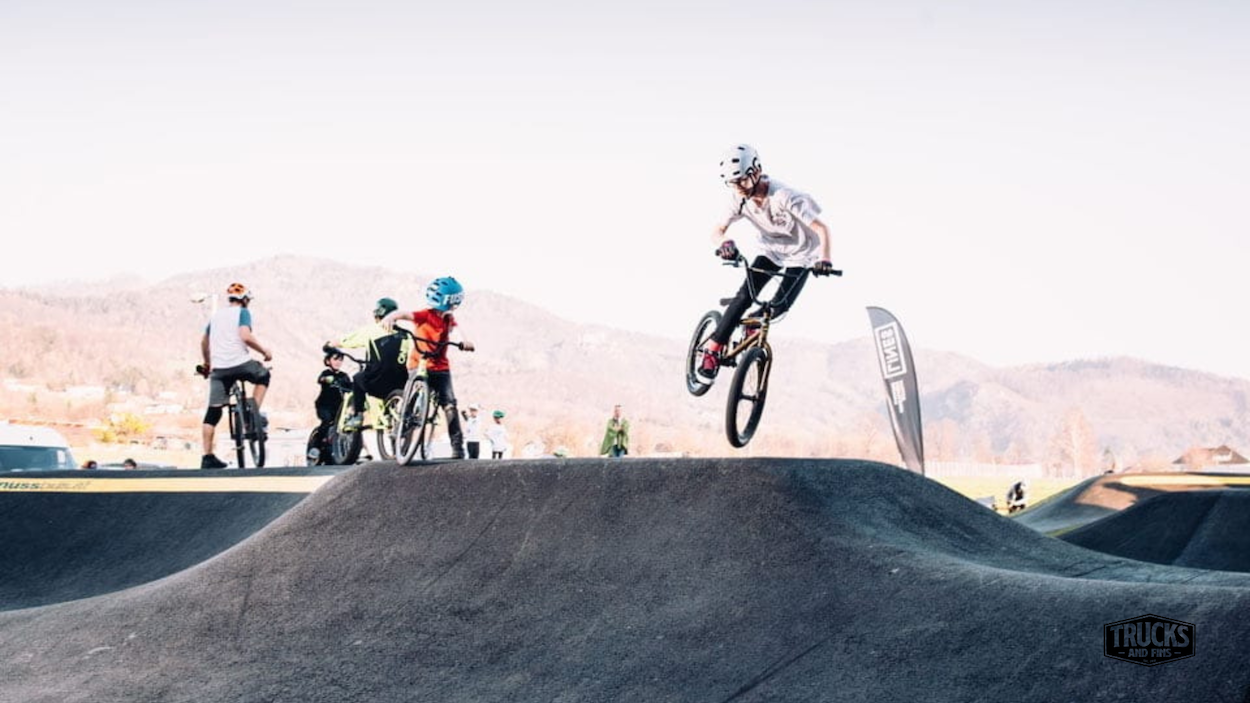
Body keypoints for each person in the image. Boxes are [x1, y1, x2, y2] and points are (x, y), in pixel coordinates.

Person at [699, 144, 836, 378]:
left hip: (802, 253)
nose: (738, 187)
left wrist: (825, 259)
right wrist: (725, 243)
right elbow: (717, 231)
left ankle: (753, 323)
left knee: (779, 307)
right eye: (733, 183)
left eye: (742, 180)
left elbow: (822, 229)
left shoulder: (784, 196)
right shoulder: (738, 199)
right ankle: (712, 349)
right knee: (745, 296)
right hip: (771, 250)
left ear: (756, 171)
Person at [379, 277, 476, 459]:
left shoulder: (449, 318)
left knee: (450, 405)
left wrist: (465, 341)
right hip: (418, 363)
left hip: (440, 367)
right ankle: (402, 422)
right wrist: (390, 317)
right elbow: (404, 314)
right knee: (411, 398)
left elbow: (458, 330)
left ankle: (457, 447)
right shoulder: (425, 315)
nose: (453, 307)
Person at [199, 282, 273, 469]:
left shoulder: (216, 316)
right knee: (263, 375)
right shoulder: (243, 312)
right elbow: (245, 336)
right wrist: (264, 351)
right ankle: (252, 415)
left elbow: (204, 342)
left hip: (219, 370)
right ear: (245, 299)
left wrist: (207, 364)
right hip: (241, 364)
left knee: (213, 412)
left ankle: (207, 456)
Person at [325, 297, 409, 432]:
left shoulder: (372, 331)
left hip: (377, 382)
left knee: (358, 378)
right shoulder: (406, 335)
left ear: (378, 314)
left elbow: (347, 340)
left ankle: (358, 415)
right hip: (400, 384)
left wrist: (330, 345)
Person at [308, 350, 351, 463]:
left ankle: (349, 450)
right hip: (324, 405)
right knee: (326, 422)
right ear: (328, 361)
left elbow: (350, 386)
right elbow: (321, 379)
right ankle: (315, 448)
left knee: (345, 426)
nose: (338, 362)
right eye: (335, 359)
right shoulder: (326, 373)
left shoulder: (344, 376)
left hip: (339, 407)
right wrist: (327, 379)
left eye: (340, 360)